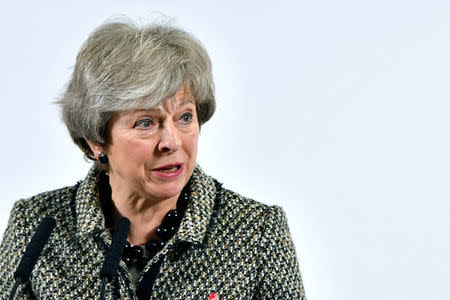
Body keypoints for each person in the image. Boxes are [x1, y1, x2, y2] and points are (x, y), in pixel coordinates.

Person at [0, 18, 306, 299]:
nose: (171, 141)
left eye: (184, 117)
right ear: (96, 140)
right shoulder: (36, 228)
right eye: (145, 123)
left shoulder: (257, 233)